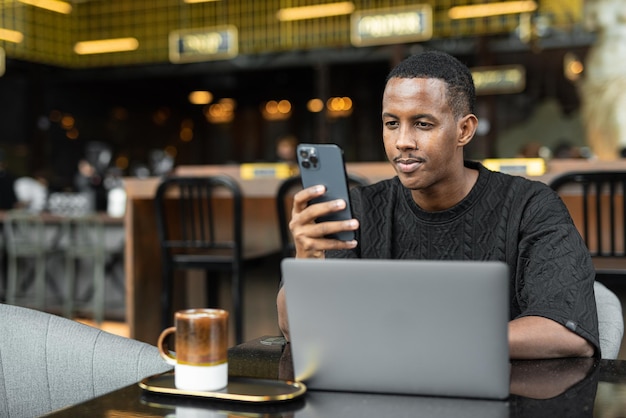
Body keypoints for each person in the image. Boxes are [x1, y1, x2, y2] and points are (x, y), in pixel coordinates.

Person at [276, 50, 599, 359]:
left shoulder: (531, 207)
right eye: (392, 124)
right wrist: (305, 262)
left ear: (464, 130)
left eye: (422, 124)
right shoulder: (359, 211)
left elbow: (567, 332)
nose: (403, 141)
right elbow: (295, 330)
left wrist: (424, 340)